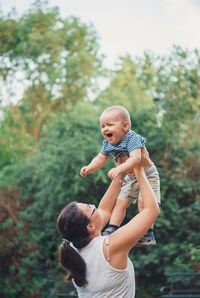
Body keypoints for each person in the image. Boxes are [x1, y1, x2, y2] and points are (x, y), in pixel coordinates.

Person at [57, 153, 160, 298]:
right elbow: (151, 210)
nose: (94, 205)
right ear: (90, 227)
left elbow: (104, 210)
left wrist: (121, 172)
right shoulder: (110, 247)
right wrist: (138, 168)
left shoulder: (75, 247)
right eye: (90, 208)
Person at [80, 105, 160, 246]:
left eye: (110, 125)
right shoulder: (108, 143)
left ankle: (148, 232)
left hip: (147, 175)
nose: (105, 129)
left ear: (125, 126)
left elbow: (136, 159)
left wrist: (119, 169)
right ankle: (112, 227)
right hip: (130, 177)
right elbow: (100, 158)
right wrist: (89, 168)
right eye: (102, 126)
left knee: (143, 204)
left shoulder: (132, 138)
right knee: (120, 203)